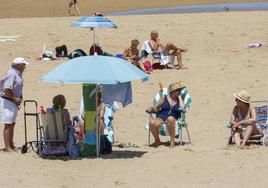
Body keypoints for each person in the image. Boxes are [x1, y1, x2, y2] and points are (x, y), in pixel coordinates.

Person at [0, 57, 29, 152]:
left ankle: (11, 145)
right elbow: (6, 89)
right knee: (8, 124)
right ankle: (7, 147)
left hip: (12, 101)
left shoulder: (17, 74)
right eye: (23, 65)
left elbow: (17, 88)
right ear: (18, 65)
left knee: (12, 124)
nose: (25, 66)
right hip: (7, 100)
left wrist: (20, 98)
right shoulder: (12, 74)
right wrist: (15, 98)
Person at [148, 81, 185, 148]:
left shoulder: (179, 100)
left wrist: (179, 97)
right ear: (173, 91)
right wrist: (153, 109)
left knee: (170, 118)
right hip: (161, 117)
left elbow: (183, 108)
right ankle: (157, 141)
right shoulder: (164, 98)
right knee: (152, 122)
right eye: (178, 90)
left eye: (180, 90)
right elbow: (156, 108)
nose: (180, 92)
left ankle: (172, 141)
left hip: (173, 118)